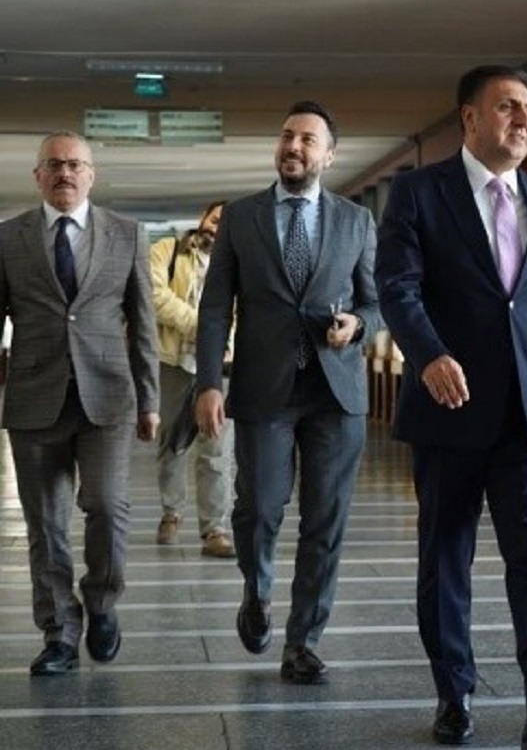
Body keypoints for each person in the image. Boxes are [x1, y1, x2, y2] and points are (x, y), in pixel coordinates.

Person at [375, 65, 527, 749]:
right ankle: (454, 690)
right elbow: (397, 288)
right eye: (506, 107)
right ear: (469, 118)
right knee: (447, 556)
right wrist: (429, 354)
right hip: (449, 405)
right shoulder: (418, 193)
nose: (522, 119)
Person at [195, 100, 381, 685]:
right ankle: (258, 589)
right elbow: (214, 308)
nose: (293, 147)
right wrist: (208, 383)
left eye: (307, 140)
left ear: (329, 156)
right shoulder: (241, 217)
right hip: (264, 389)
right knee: (258, 510)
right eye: (286, 136)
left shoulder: (356, 221)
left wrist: (358, 325)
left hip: (335, 392)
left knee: (326, 519)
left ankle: (303, 640)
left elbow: (376, 302)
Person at [0, 131, 160, 675]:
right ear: (37, 176)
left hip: (108, 398)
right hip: (33, 400)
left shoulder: (127, 234)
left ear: (91, 174)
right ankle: (60, 634)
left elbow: (144, 324)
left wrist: (150, 400)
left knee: (108, 507)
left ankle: (103, 602)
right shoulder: (10, 237)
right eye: (54, 164)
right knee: (45, 524)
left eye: (75, 164)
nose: (64, 173)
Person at [150, 200, 236, 558]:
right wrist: (203, 326)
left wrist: (221, 340)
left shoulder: (241, 263)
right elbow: (154, 294)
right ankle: (171, 512)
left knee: (216, 447)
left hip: (221, 365)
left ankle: (214, 529)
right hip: (173, 362)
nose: (217, 228)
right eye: (214, 219)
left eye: (226, 224)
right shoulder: (167, 250)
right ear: (203, 218)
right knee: (172, 441)